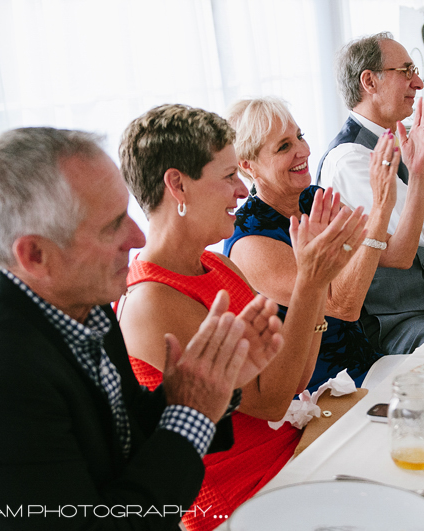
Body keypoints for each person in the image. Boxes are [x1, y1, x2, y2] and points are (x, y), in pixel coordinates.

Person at [0, 127, 284, 529]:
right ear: (35, 255)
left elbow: (124, 433)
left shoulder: (82, 304)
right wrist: (191, 412)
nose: (137, 237)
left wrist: (210, 384)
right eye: (112, 226)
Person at [117, 104, 366, 531]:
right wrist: (311, 284)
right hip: (242, 497)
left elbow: (294, 381)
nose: (240, 190)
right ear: (177, 185)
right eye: (228, 176)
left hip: (291, 454)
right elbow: (269, 400)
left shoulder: (219, 267)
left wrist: (315, 292)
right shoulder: (151, 301)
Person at [317, 31, 424, 355]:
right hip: (392, 327)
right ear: (369, 81)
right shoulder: (350, 160)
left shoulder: (395, 138)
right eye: (407, 71)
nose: (419, 83)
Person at [224, 96, 409, 392]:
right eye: (284, 146)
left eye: (300, 137)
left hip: (367, 365)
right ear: (249, 166)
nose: (303, 151)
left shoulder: (314, 200)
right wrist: (380, 208)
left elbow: (400, 255)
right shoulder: (249, 240)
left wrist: (420, 171)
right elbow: (342, 307)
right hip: (319, 389)